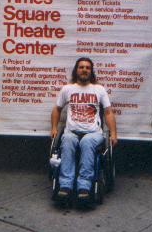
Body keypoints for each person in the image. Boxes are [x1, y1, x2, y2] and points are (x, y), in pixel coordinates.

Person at [50, 57, 117, 202]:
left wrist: (113, 134)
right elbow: (57, 109)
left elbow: (108, 112)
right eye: (81, 67)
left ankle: (84, 187)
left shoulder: (99, 89)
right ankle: (65, 186)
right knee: (66, 140)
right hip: (71, 132)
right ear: (76, 70)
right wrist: (54, 128)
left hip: (93, 134)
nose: (84, 70)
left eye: (87, 67)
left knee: (87, 142)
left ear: (91, 71)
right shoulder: (67, 89)